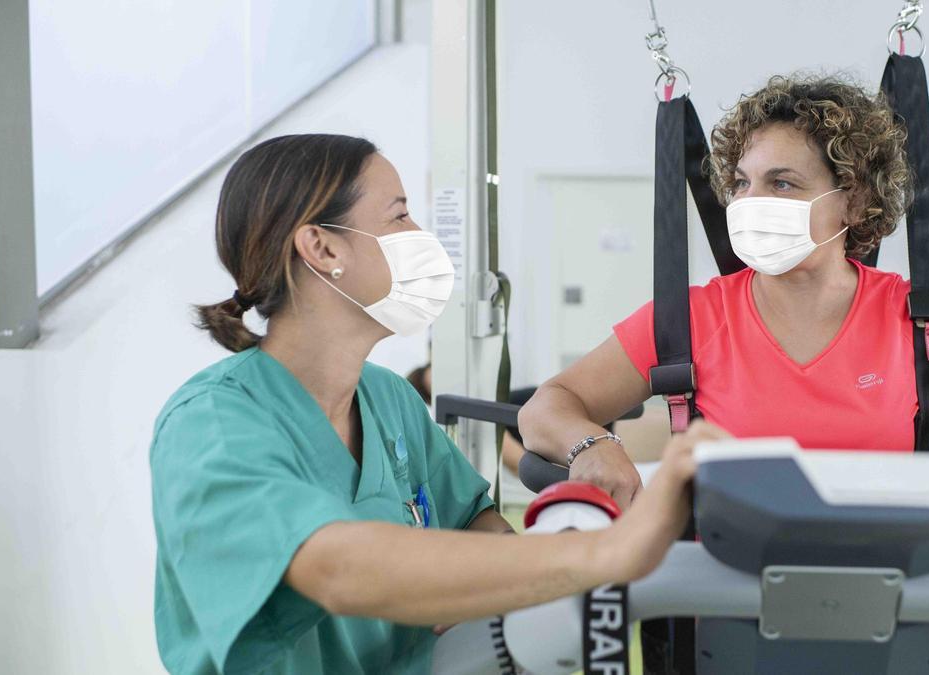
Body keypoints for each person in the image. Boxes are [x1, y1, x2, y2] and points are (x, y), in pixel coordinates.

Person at [518, 76, 929, 674]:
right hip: (728, 623)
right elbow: (549, 406)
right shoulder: (689, 318)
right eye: (742, 183)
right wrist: (592, 443)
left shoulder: (920, 317)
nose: (749, 202)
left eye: (782, 183)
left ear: (855, 199)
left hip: (899, 625)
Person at [149, 133, 724, 674]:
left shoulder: (388, 398)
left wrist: (554, 562)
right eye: (399, 215)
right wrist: (606, 553)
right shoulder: (212, 424)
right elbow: (336, 568)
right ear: (321, 246)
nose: (419, 232)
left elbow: (471, 522)